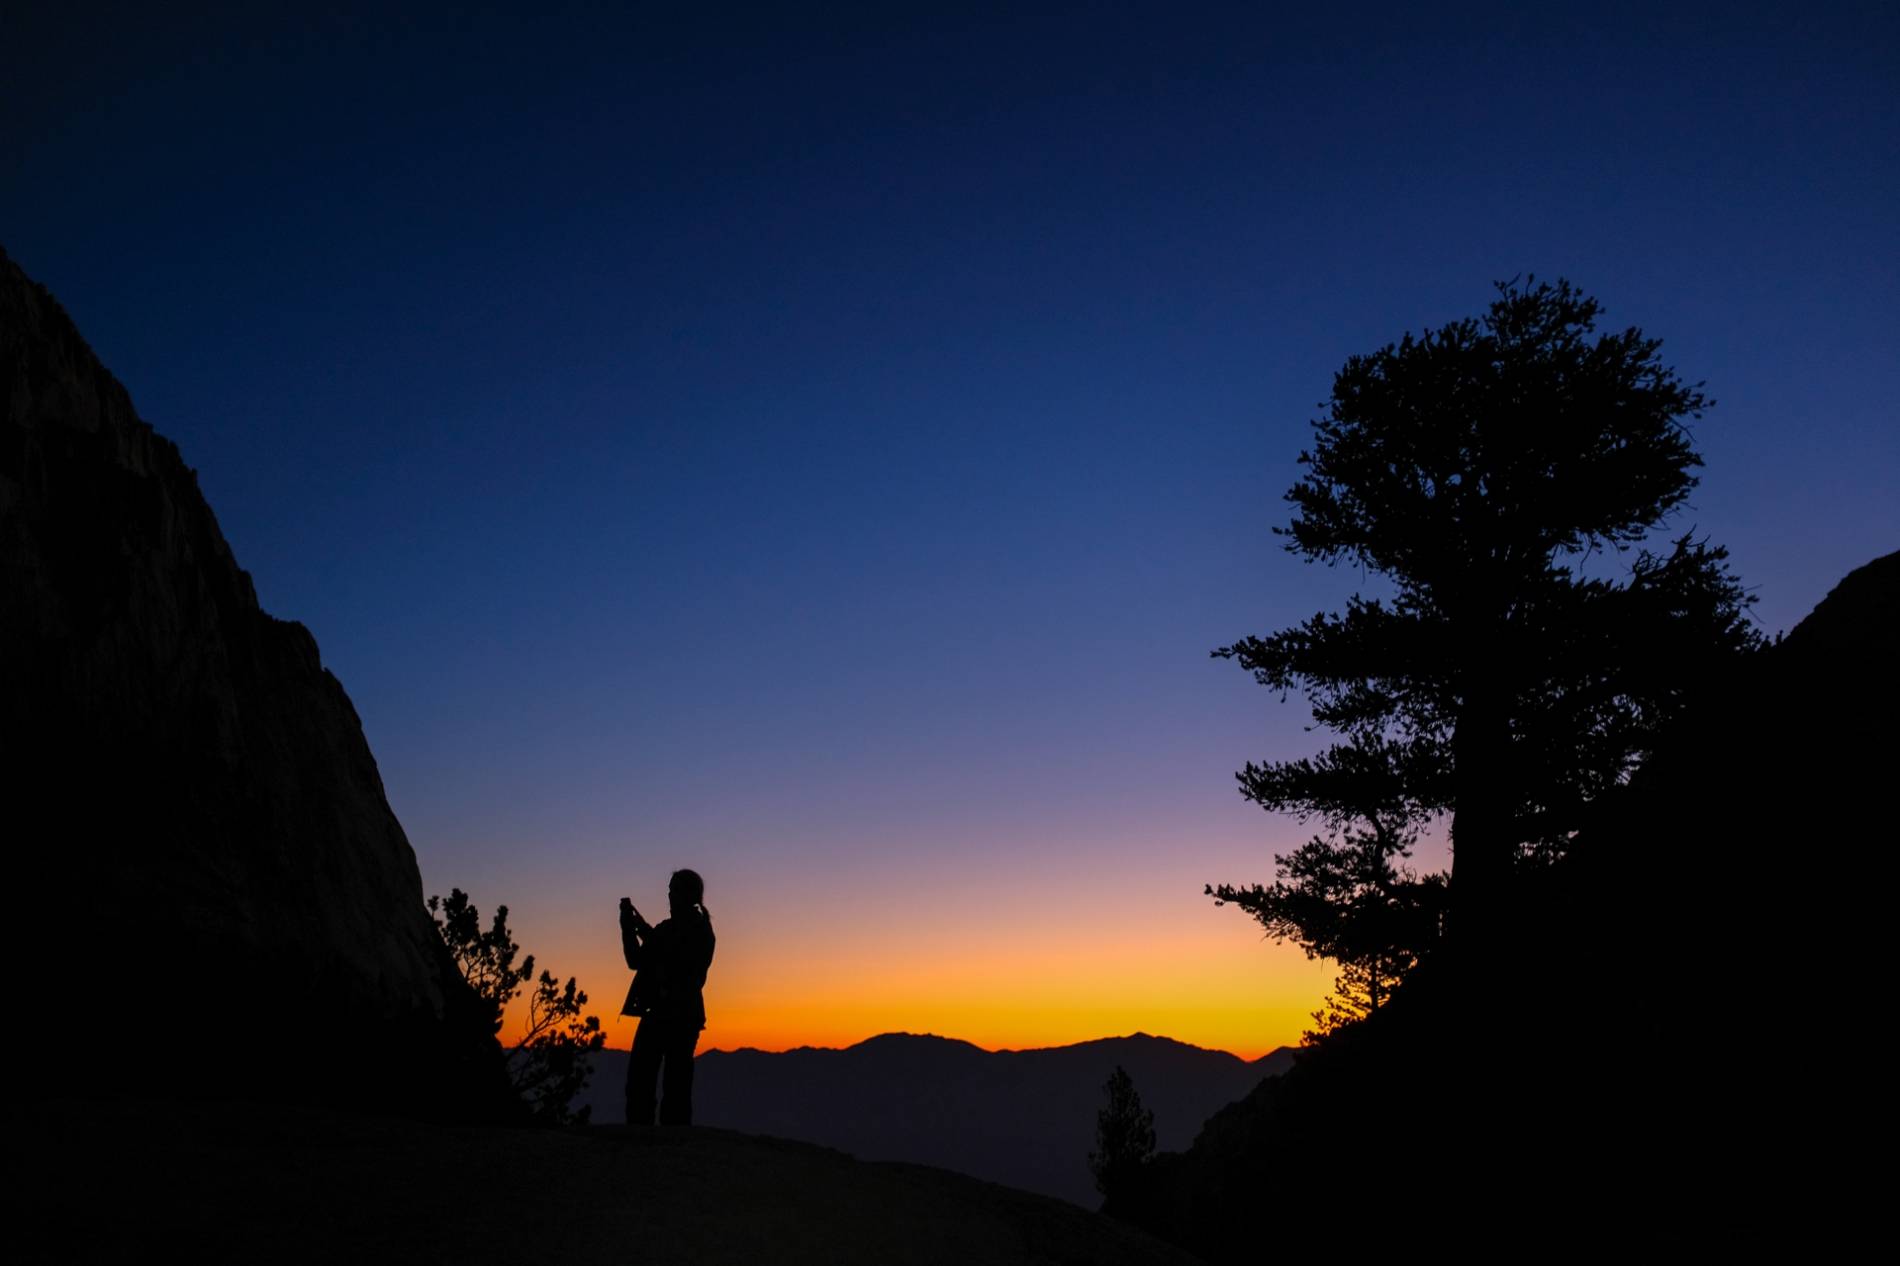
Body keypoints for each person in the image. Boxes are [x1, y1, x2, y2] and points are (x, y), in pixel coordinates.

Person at [620, 868, 716, 1125]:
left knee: (671, 1089)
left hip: (677, 1017)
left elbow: (661, 955)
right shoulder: (685, 930)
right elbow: (643, 957)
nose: (669, 895)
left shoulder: (697, 932)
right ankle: (657, 1143)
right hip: (674, 1015)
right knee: (659, 1086)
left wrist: (635, 928)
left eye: (674, 890)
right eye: (670, 889)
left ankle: (660, 1145)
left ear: (688, 895)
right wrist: (631, 928)